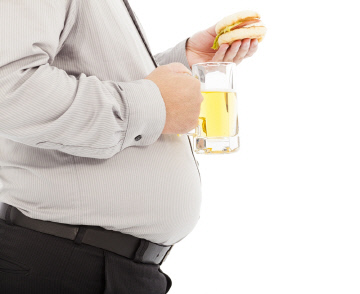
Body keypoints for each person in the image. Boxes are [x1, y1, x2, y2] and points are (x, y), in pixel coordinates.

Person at [0, 1, 258, 293]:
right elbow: (9, 89)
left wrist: (183, 63)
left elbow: (95, 75)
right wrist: (154, 103)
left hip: (104, 266)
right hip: (65, 264)